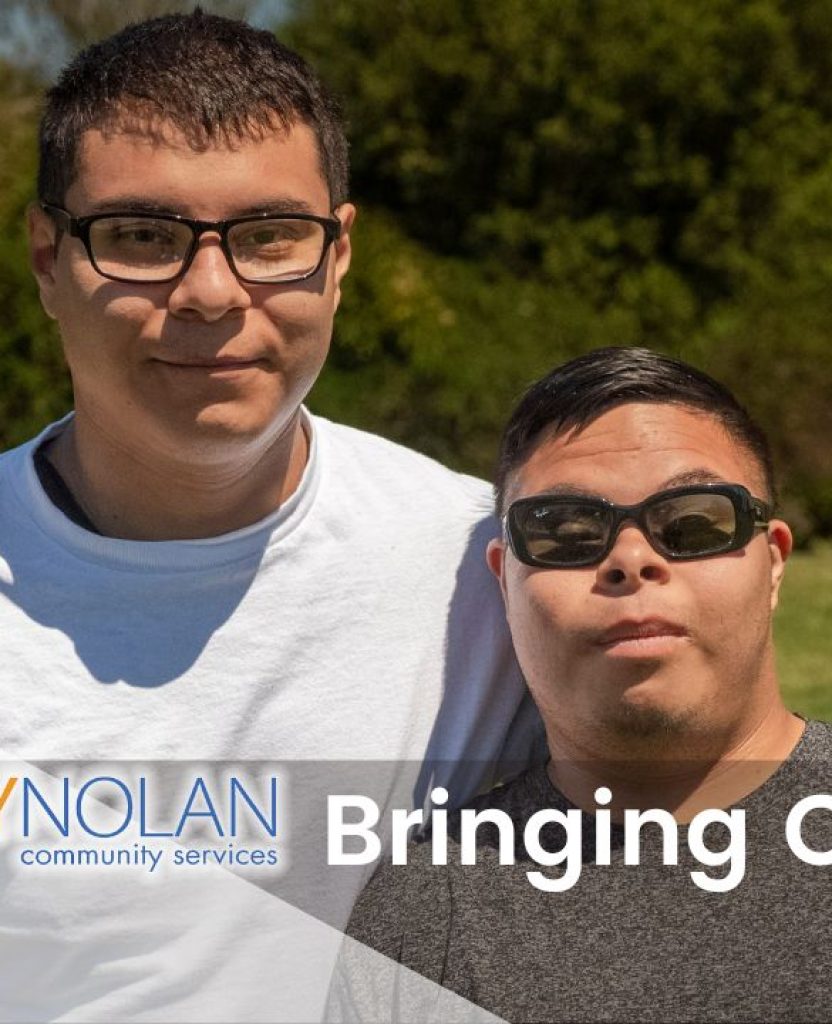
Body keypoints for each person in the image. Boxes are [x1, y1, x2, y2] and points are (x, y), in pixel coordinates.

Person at [0, 11, 541, 1023]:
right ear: (46, 258)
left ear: (336, 257)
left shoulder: (492, 571)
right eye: (142, 237)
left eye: (268, 238)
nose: (210, 291)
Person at [338, 348, 832, 1023]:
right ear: (504, 579)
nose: (630, 559)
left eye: (693, 523)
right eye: (565, 532)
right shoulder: (421, 918)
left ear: (773, 562)